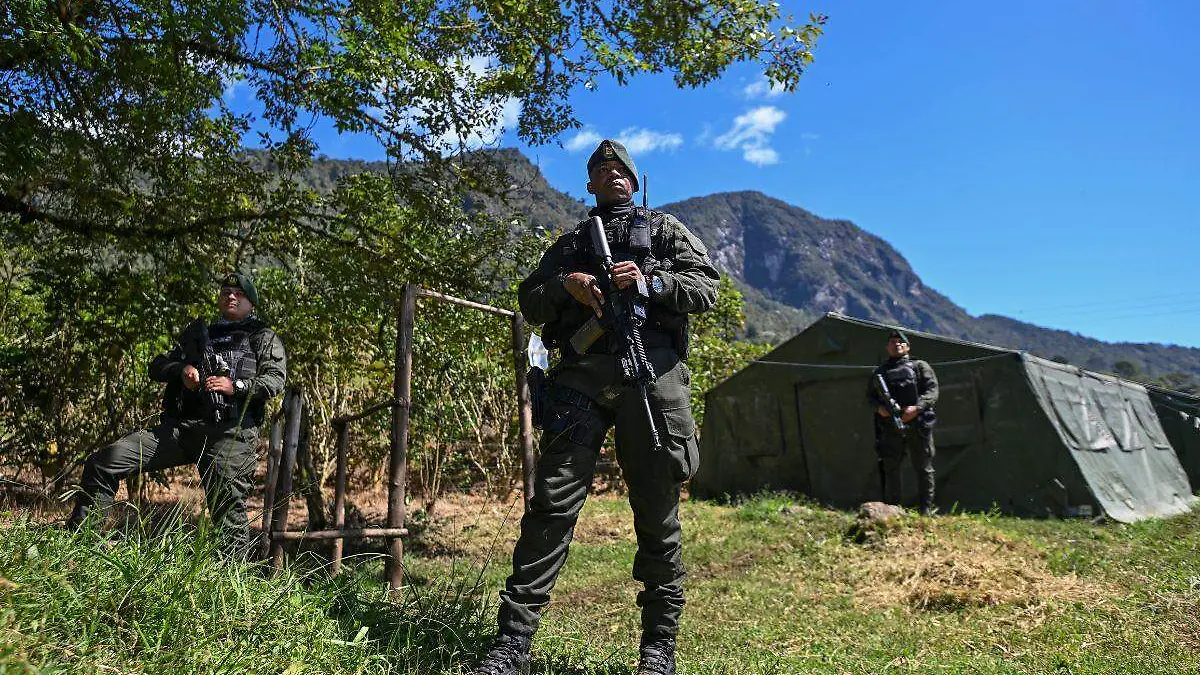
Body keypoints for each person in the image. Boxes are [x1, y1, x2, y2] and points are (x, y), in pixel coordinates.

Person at [471, 140, 720, 675]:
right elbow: (530, 300)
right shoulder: (571, 244)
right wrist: (569, 285)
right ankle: (511, 644)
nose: (613, 175)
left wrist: (651, 282)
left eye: (621, 169)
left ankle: (658, 649)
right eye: (602, 170)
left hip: (652, 378)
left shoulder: (665, 230)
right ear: (589, 183)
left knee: (657, 512)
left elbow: (707, 290)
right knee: (551, 506)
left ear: (634, 179)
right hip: (580, 381)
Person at [68, 273, 287, 557]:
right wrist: (182, 371)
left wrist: (235, 386)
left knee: (228, 512)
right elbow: (158, 365)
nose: (231, 296)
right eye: (226, 291)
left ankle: (232, 578)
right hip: (181, 429)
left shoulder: (263, 337)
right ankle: (80, 547)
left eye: (239, 293)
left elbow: (274, 380)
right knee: (104, 462)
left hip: (229, 434)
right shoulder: (200, 336)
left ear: (251, 303)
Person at [867, 329, 939, 515]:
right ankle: (893, 509)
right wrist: (879, 408)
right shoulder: (880, 373)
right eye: (893, 342)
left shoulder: (920, 366)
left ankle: (926, 510)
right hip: (891, 426)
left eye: (901, 342)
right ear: (887, 347)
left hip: (918, 424)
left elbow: (932, 391)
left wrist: (917, 408)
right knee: (891, 467)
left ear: (908, 347)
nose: (897, 344)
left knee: (924, 468)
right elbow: (870, 397)